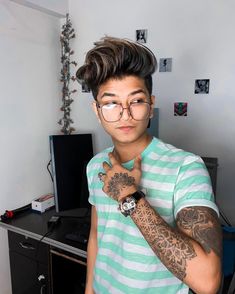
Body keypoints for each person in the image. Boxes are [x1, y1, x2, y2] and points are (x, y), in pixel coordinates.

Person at [76, 36, 222, 294]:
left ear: (151, 105)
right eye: (111, 104)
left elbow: (208, 282)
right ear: (97, 111)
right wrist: (89, 289)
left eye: (136, 101)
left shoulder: (187, 168)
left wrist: (129, 196)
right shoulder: (95, 165)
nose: (125, 114)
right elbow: (97, 235)